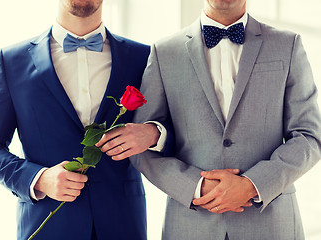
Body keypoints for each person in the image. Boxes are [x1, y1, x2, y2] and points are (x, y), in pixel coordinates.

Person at [129, 0, 321, 239]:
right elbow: (141, 148)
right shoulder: (164, 52)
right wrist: (195, 187)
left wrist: (253, 184)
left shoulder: (287, 45)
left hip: (271, 224)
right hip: (191, 226)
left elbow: (309, 136)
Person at [0, 0, 160, 239]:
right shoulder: (12, 61)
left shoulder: (143, 57)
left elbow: (178, 130)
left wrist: (154, 133)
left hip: (123, 225)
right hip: (48, 227)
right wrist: (38, 179)